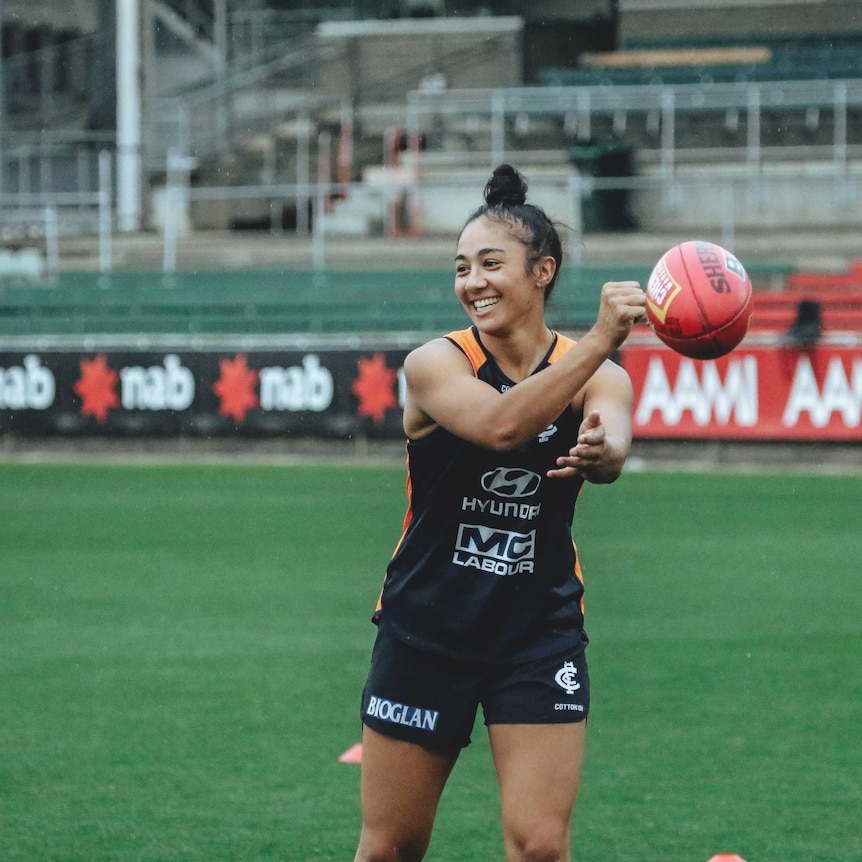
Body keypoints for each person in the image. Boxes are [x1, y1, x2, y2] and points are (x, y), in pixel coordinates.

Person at [354, 164, 646, 862]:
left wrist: (604, 454)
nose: (472, 282)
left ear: (542, 271)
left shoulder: (600, 375)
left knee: (541, 846)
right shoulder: (436, 365)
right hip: (428, 625)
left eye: (491, 264)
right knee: (391, 846)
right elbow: (499, 428)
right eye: (462, 268)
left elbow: (613, 450)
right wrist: (602, 339)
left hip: (536, 632)